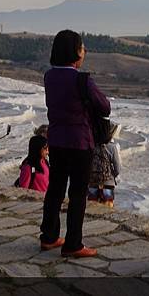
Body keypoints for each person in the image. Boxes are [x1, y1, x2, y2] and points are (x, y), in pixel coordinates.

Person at [40, 30, 111, 258]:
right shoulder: (81, 79)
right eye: (82, 47)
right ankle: (73, 244)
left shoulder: (49, 77)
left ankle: (49, 237)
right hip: (80, 142)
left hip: (57, 140)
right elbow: (104, 106)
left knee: (55, 189)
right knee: (78, 193)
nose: (85, 51)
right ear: (75, 52)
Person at [88, 122, 122, 208]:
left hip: (92, 181)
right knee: (107, 209)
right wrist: (112, 175)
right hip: (108, 182)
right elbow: (118, 168)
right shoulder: (112, 147)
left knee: (92, 208)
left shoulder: (91, 145)